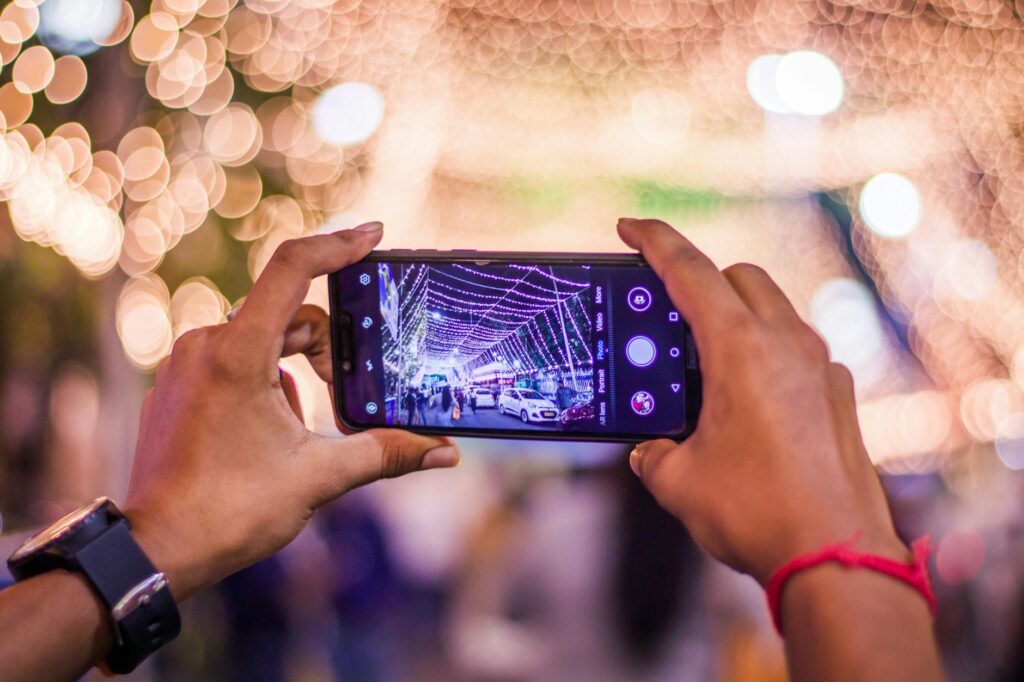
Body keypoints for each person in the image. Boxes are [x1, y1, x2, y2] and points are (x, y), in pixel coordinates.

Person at [0, 219, 944, 682]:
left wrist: (163, 539)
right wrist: (844, 553)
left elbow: (479, 635)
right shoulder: (706, 558)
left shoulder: (553, 526)